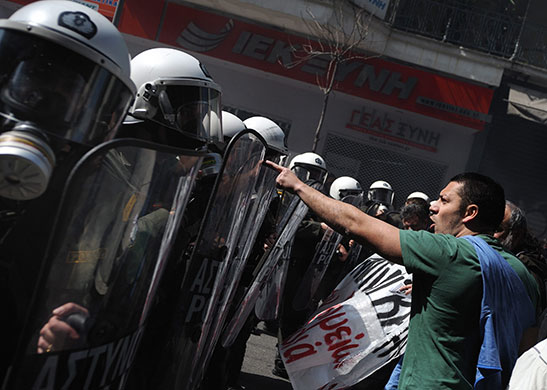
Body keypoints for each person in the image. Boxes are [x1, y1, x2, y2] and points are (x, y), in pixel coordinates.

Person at [265, 162, 539, 390]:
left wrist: (299, 186)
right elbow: (525, 351)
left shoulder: (449, 253)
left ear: (470, 213)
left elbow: (355, 224)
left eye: (444, 201)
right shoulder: (525, 277)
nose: (433, 207)